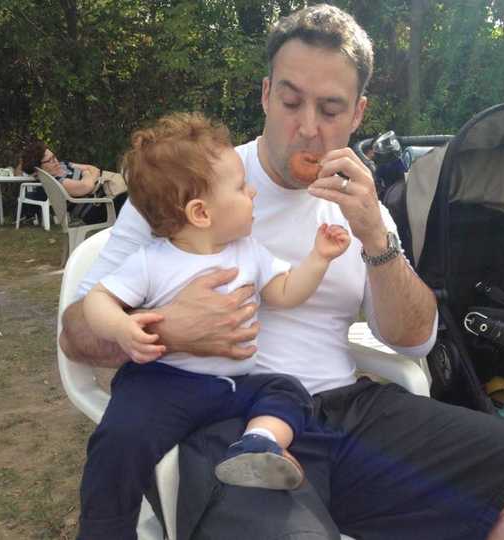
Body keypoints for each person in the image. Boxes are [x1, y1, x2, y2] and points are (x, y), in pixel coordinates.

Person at [61, 4, 504, 540]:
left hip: (342, 412)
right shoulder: (186, 187)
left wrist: (376, 238)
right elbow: (76, 338)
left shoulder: (361, 204)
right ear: (265, 95)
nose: (307, 128)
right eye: (290, 101)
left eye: (330, 109)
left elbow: (414, 340)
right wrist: (165, 329)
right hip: (225, 419)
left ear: (358, 114)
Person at [77, 112, 350, 538]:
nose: (253, 192)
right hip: (162, 384)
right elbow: (98, 299)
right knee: (120, 441)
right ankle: (105, 530)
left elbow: (284, 292)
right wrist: (121, 328)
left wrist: (319, 258)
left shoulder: (249, 251)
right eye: (241, 188)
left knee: (287, 390)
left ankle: (259, 442)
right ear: (201, 212)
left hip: (231, 386)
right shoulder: (155, 261)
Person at [20, 140, 127, 224]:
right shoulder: (57, 182)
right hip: (99, 208)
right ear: (40, 168)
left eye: (54, 157)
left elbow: (94, 169)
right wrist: (86, 174)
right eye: (50, 160)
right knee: (134, 198)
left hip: (108, 195)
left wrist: (89, 175)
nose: (56, 161)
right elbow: (87, 186)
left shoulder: (63, 165)